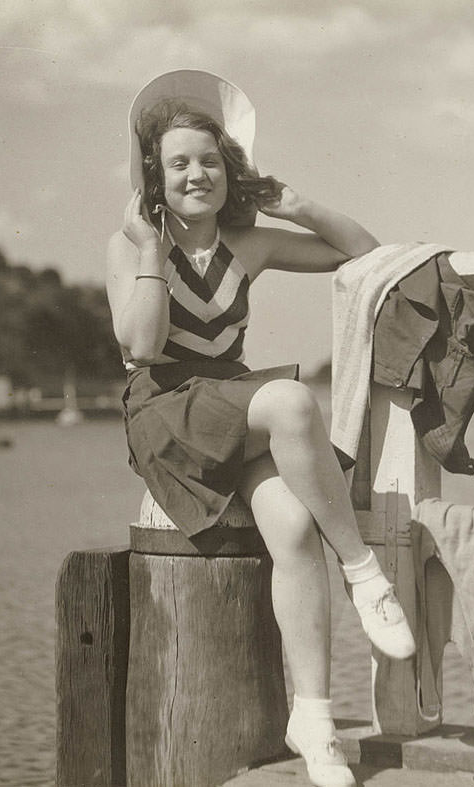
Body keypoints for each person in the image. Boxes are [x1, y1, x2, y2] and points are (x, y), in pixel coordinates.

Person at [106, 69, 415, 787]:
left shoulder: (249, 242)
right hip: (166, 411)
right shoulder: (128, 246)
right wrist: (151, 253)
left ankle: (312, 719)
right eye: (178, 162)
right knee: (290, 400)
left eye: (209, 160)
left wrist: (295, 203)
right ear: (152, 173)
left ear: (229, 167)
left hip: (232, 410)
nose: (196, 174)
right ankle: (365, 573)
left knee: (292, 528)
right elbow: (143, 347)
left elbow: (359, 251)